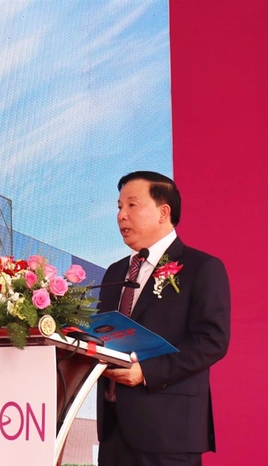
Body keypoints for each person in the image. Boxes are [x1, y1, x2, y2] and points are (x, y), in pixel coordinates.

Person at [96, 171, 231, 466]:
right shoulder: (115, 272)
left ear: (163, 211)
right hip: (114, 430)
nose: (121, 216)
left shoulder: (201, 267)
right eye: (119, 207)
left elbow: (212, 341)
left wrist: (146, 371)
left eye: (132, 205)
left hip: (168, 432)